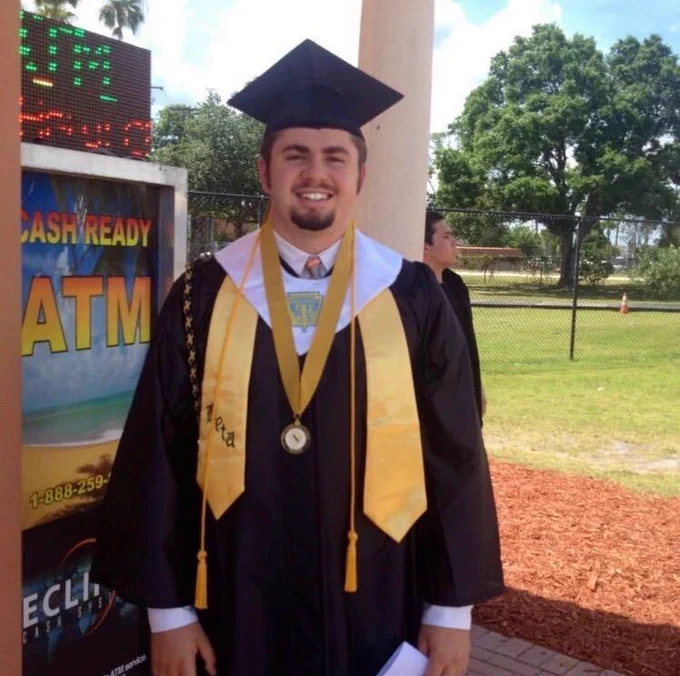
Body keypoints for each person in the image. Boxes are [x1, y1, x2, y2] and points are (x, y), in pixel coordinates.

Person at [92, 40, 503, 676]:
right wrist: (169, 614)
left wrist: (449, 613)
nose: (316, 173)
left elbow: (454, 455)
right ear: (265, 172)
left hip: (374, 600)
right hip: (234, 602)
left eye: (335, 156)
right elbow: (158, 454)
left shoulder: (412, 297)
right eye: (296, 155)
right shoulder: (202, 296)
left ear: (360, 175)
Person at [423, 211, 486, 422]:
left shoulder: (456, 285)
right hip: (433, 401)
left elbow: (468, 343)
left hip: (464, 395)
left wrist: (478, 388)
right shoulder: (415, 289)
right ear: (426, 247)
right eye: (446, 236)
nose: (454, 242)